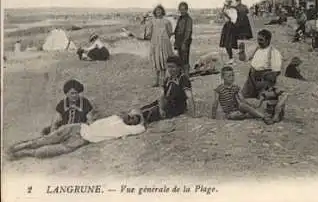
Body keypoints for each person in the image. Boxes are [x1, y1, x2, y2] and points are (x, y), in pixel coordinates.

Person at [8, 109, 146, 160]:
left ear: (134, 124)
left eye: (134, 120)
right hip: (78, 127)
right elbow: (130, 111)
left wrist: (140, 120)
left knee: (50, 151)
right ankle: (20, 147)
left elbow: (141, 129)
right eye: (131, 116)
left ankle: (23, 153)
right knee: (45, 140)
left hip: (82, 139)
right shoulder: (116, 117)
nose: (131, 119)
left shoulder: (126, 129)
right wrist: (129, 113)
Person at [140, 56, 197, 122]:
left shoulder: (183, 79)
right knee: (143, 109)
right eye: (169, 67)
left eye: (173, 67)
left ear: (179, 67)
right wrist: (161, 108)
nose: (170, 69)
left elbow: (190, 97)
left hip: (176, 107)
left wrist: (193, 115)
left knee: (148, 114)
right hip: (166, 103)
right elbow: (162, 95)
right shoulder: (168, 79)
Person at [241, 29, 283, 99]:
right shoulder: (256, 48)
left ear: (268, 40)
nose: (258, 42)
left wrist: (266, 78)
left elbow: (276, 72)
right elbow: (243, 59)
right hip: (251, 80)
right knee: (244, 99)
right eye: (258, 39)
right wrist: (241, 51)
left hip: (264, 82)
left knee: (262, 103)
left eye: (261, 40)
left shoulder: (274, 52)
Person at [144, 4, 175, 87]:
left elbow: (169, 32)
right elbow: (148, 33)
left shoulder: (167, 21)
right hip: (155, 44)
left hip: (164, 43)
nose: (158, 11)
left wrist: (164, 39)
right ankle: (156, 81)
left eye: (160, 10)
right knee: (156, 61)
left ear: (162, 11)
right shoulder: (152, 21)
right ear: (155, 12)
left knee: (164, 61)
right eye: (157, 10)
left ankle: (164, 81)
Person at [174, 2, 193, 75]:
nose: (182, 11)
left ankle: (186, 76)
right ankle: (182, 75)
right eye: (181, 9)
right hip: (179, 40)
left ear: (186, 10)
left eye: (183, 9)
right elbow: (177, 30)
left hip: (185, 41)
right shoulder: (180, 18)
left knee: (185, 59)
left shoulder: (189, 19)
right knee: (180, 59)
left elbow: (188, 32)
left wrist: (184, 43)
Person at [219, 0, 239, 65]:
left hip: (231, 26)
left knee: (229, 43)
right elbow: (220, 17)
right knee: (226, 43)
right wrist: (222, 11)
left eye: (227, 4)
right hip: (226, 26)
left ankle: (232, 58)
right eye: (226, 5)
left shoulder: (234, 11)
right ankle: (231, 58)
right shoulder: (226, 10)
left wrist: (225, 13)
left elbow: (232, 19)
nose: (226, 6)